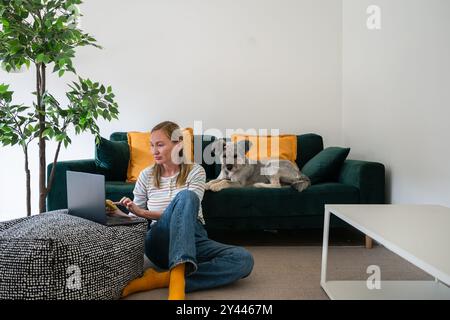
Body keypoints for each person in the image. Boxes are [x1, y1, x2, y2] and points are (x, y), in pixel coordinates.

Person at [109, 121, 254, 300]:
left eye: (160, 145)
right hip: (159, 240)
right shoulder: (146, 175)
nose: (154, 151)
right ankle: (177, 280)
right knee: (186, 196)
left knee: (243, 259)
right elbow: (134, 218)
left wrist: (143, 212)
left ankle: (163, 278)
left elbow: (184, 213)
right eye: (152, 145)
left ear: (178, 144)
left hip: (194, 237)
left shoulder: (196, 171)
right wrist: (118, 213)